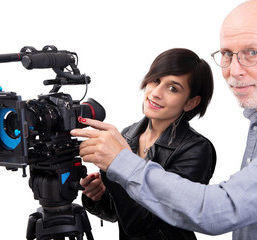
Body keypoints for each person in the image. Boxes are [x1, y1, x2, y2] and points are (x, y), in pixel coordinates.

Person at [71, 0, 257, 239]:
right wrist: (100, 193)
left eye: (251, 53)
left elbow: (217, 210)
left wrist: (119, 162)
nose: (234, 70)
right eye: (226, 54)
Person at [79, 48, 216, 240]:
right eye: (156, 80)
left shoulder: (196, 150)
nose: (156, 93)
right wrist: (99, 196)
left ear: (191, 102)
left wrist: (116, 163)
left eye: (173, 88)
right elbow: (120, 213)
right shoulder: (127, 135)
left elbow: (142, 224)